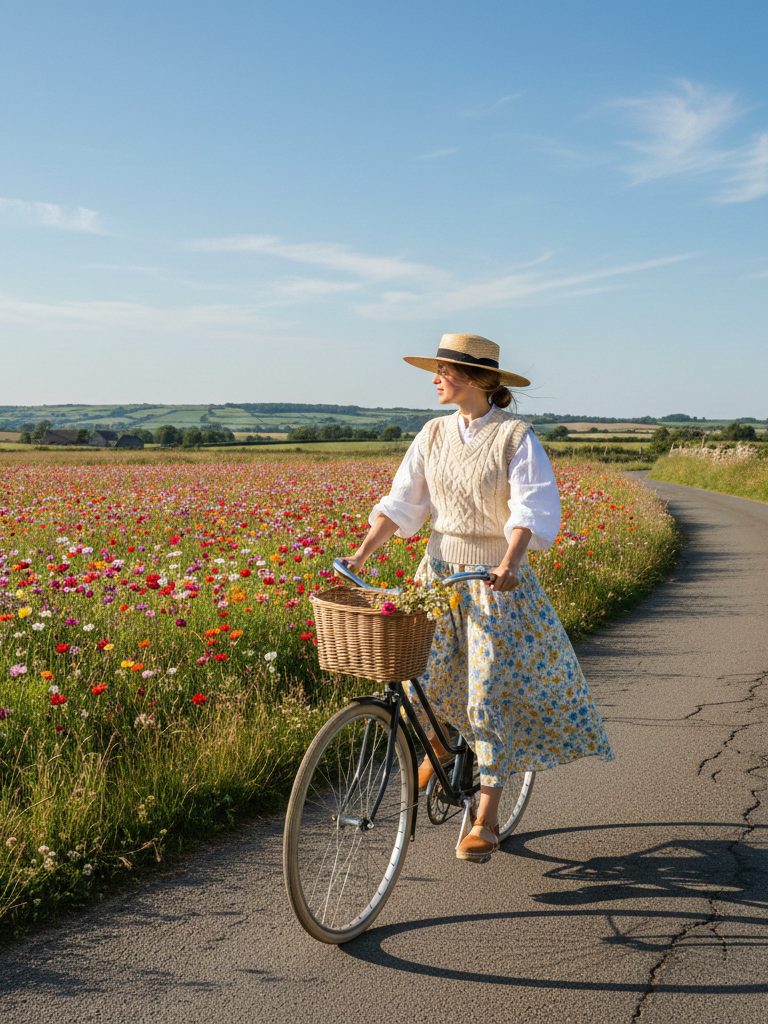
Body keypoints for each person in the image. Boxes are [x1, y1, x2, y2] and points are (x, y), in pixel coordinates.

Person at [344, 333, 614, 862]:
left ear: (471, 378)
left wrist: (510, 563)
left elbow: (530, 509)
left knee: (487, 692)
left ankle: (486, 818)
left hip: (494, 579)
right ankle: (443, 745)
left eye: (441, 371)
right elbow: (402, 503)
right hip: (439, 573)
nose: (434, 379)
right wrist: (360, 556)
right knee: (419, 670)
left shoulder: (515, 437)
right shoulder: (432, 433)